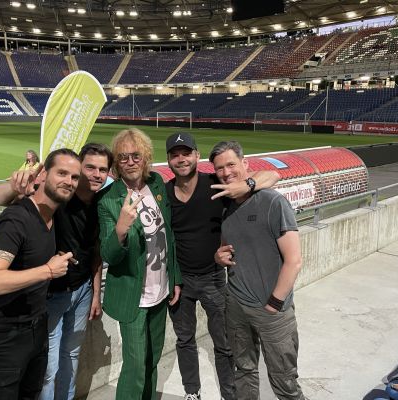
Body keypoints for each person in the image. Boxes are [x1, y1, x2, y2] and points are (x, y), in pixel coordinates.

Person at [0, 143, 113, 400]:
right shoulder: (61, 196)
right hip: (51, 295)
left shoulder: (101, 203)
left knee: (71, 356)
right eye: (89, 168)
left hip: (82, 291)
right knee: (49, 367)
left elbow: (96, 253)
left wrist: (95, 295)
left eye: (102, 170)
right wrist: (14, 186)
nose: (96, 175)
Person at [165, 132, 280, 400]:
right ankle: (192, 392)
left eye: (186, 153)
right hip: (180, 282)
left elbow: (273, 175)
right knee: (184, 340)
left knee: (224, 345)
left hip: (214, 279)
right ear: (169, 160)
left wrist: (247, 184)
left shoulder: (216, 184)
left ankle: (229, 394)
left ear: (196, 155)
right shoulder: (166, 192)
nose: (181, 159)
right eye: (175, 155)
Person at [0, 148, 80, 400]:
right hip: (5, 334)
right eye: (62, 173)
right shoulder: (16, 219)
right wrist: (48, 270)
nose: (69, 181)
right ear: (42, 175)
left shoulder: (53, 214)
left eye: (75, 177)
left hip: (37, 327)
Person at [211, 141, 304, 400]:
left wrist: (274, 303)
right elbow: (226, 247)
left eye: (231, 164)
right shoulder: (225, 205)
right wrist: (218, 257)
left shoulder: (273, 202)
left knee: (285, 383)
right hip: (236, 305)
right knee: (244, 371)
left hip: (271, 310)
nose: (226, 172)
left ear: (245, 164)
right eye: (220, 168)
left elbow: (294, 260)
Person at [97, 128, 181, 400]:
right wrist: (121, 229)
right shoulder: (108, 200)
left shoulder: (156, 184)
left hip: (161, 292)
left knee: (153, 357)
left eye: (136, 156)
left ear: (145, 158)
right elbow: (109, 255)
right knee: (135, 366)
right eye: (123, 157)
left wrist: (175, 278)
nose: (130, 162)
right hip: (134, 298)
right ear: (116, 163)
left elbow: (169, 237)